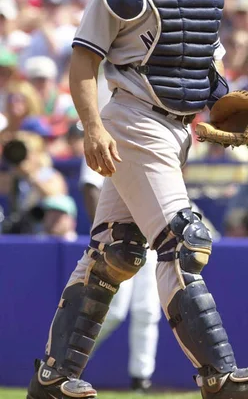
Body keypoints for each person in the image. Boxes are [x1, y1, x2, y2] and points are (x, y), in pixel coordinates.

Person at [27, 0, 248, 399]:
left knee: (115, 253)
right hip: (132, 119)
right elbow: (82, 62)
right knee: (184, 240)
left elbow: (200, 64)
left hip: (175, 131)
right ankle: (217, 375)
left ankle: (52, 377)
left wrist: (221, 98)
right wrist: (92, 127)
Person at [80, 158, 161, 392]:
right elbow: (89, 186)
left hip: (149, 235)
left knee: (147, 311)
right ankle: (69, 364)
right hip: (116, 240)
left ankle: (141, 380)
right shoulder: (107, 130)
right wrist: (105, 233)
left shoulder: (149, 135)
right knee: (112, 310)